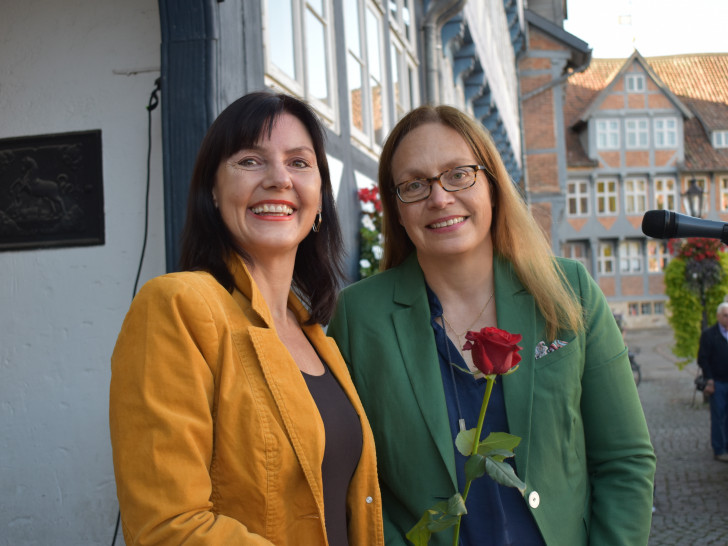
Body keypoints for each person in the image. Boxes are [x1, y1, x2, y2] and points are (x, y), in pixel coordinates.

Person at [328, 105, 656, 545]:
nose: (439, 197)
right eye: (414, 185)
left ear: (493, 185)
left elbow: (625, 460)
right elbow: (354, 481)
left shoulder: (567, 290)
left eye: (458, 174)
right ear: (398, 209)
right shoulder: (359, 316)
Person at [109, 91, 383, 545]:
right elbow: (167, 529)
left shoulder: (318, 337)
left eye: (299, 163)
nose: (279, 179)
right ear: (213, 191)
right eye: (250, 161)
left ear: (319, 198)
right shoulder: (177, 307)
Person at [697, 302, 728, 462]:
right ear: (718, 316)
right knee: (718, 416)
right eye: (725, 315)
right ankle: (719, 448)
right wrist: (709, 379)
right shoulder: (709, 334)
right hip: (717, 382)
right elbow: (702, 359)